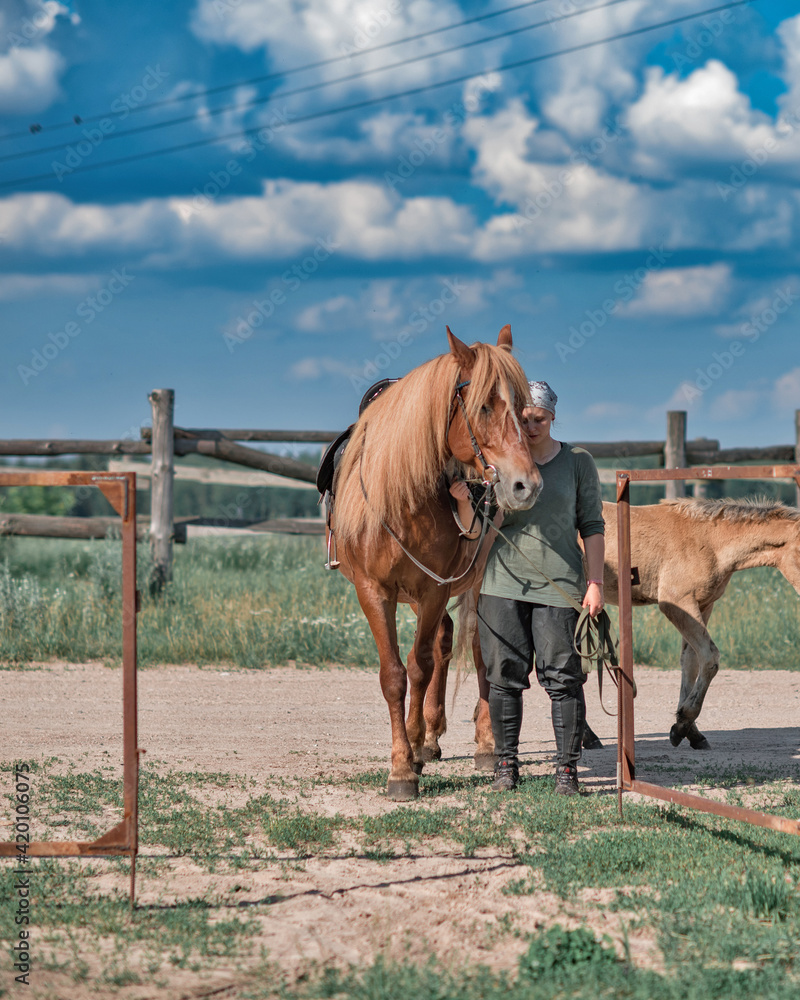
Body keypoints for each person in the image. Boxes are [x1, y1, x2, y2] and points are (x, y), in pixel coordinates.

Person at [476, 380, 605, 795]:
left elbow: (593, 526)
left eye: (540, 419)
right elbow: (477, 524)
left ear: (553, 418)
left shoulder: (578, 462)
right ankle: (505, 767)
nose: (532, 427)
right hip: (502, 584)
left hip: (560, 587)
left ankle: (566, 772)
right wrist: (467, 496)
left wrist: (596, 583)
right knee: (503, 679)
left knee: (565, 679)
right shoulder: (500, 462)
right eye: (524, 419)